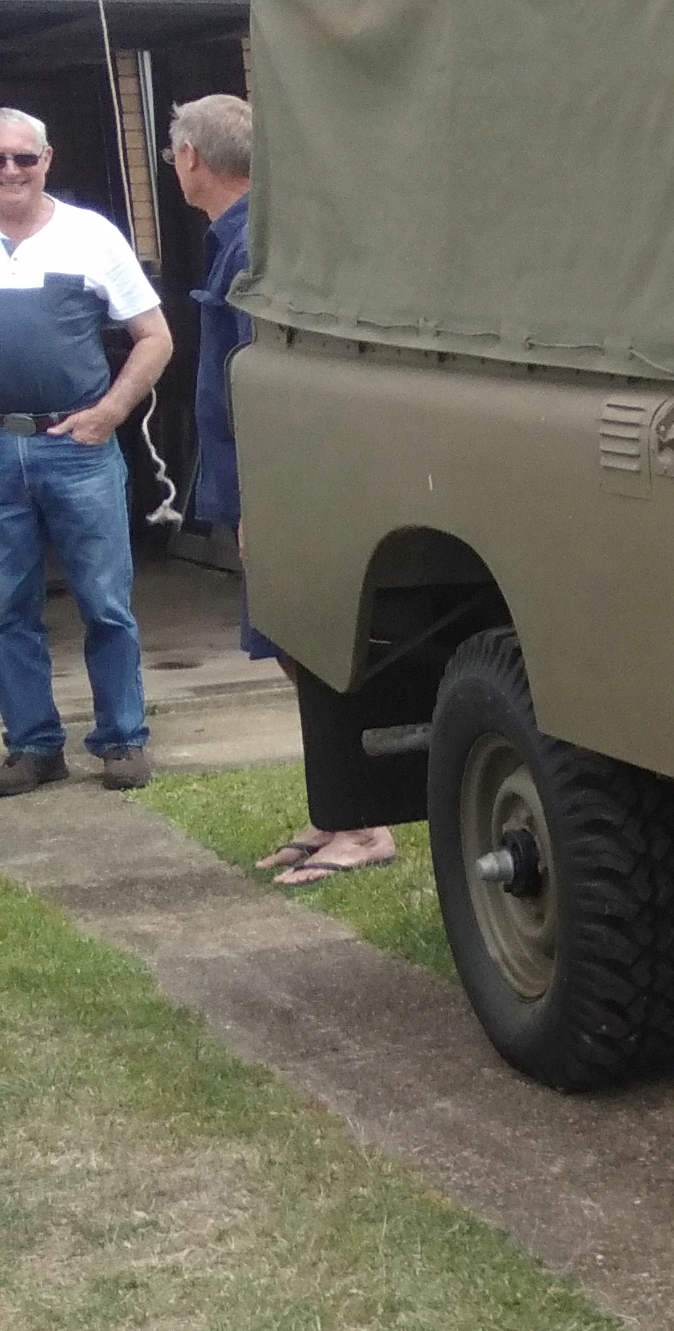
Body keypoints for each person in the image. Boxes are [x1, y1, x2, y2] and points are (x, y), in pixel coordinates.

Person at [163, 94, 394, 886]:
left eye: (173, 152)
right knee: (290, 648)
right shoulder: (241, 237)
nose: (173, 165)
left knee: (309, 643)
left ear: (192, 158)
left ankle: (362, 824)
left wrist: (263, 503)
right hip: (260, 484)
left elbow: (271, 386)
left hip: (283, 488)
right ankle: (339, 809)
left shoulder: (257, 244)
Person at [0, 105, 166, 796]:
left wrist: (112, 412)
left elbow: (154, 336)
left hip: (79, 447)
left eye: (22, 158)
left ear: (48, 161)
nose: (10, 171)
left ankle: (122, 740)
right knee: (7, 609)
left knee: (105, 602)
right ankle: (34, 747)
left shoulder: (91, 237)